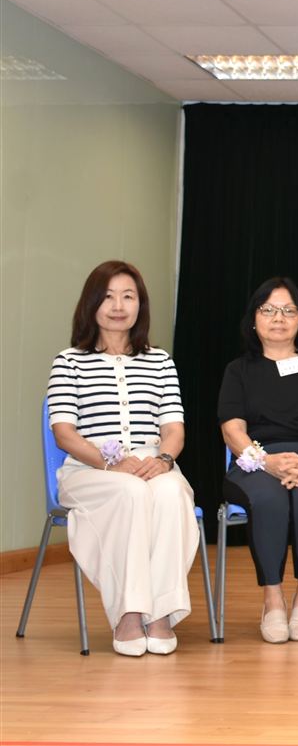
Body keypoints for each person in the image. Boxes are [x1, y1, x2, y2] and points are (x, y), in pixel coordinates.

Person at [46, 260, 196, 656]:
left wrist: (164, 460)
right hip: (90, 468)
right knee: (130, 493)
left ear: (140, 305)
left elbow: (174, 429)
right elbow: (64, 433)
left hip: (152, 462)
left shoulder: (160, 361)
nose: (118, 306)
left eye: (128, 296)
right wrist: (109, 463)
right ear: (91, 304)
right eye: (108, 297)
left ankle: (160, 613)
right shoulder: (69, 361)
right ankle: (129, 613)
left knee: (171, 493)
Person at [218, 277, 298, 643]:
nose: (279, 318)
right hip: (254, 461)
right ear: (253, 318)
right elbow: (232, 429)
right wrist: (265, 461)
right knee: (269, 497)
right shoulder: (238, 370)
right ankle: (272, 599)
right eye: (269, 310)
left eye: (289, 310)